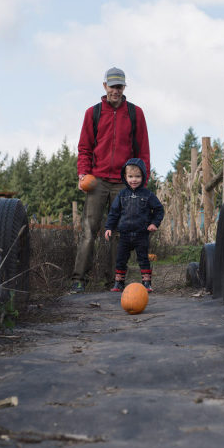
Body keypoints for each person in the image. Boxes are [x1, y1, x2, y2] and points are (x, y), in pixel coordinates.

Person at [71, 67, 150, 293]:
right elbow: (84, 148)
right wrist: (83, 173)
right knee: (89, 231)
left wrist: (141, 182)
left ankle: (115, 281)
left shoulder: (136, 113)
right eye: (112, 86)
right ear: (104, 86)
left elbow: (143, 150)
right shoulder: (92, 113)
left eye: (119, 86)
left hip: (124, 184)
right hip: (97, 181)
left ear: (124, 87)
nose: (116, 90)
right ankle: (79, 280)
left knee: (120, 234)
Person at [104, 158, 164, 292]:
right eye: (130, 176)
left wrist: (154, 223)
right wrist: (109, 227)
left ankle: (146, 283)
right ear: (125, 177)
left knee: (143, 259)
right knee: (120, 259)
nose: (134, 180)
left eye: (137, 176)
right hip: (124, 234)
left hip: (141, 234)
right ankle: (119, 283)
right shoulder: (121, 195)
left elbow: (159, 209)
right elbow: (114, 212)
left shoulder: (148, 195)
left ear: (143, 176)